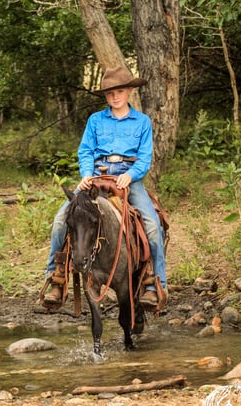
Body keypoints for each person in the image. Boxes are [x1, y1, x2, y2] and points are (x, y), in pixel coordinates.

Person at [42, 65, 167, 309]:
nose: (114, 97)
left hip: (128, 180)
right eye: (110, 93)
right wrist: (87, 175)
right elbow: (86, 151)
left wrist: (130, 175)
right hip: (96, 179)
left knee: (152, 227)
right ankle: (55, 276)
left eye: (119, 91)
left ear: (129, 91)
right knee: (61, 220)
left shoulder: (142, 122)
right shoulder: (95, 120)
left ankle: (154, 284)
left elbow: (144, 158)